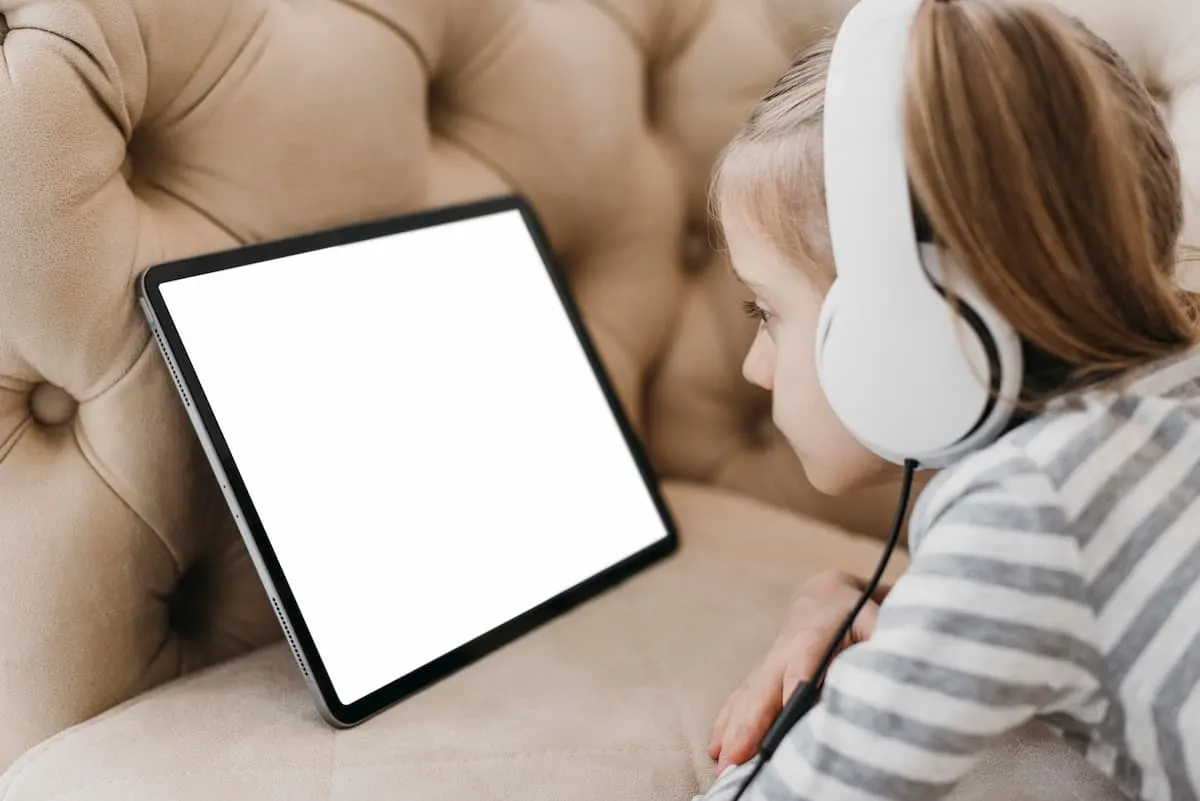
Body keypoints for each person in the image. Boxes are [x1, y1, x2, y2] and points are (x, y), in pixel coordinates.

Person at [697, 0, 1200, 799]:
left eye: (766, 312)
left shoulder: (1027, 506)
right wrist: (866, 604)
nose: (757, 368)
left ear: (910, 324)